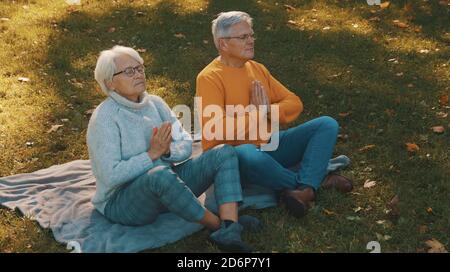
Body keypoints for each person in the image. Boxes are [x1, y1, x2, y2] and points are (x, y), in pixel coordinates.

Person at [87, 45, 260, 252]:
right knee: (158, 174)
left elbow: (186, 144)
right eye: (128, 71)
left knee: (224, 152)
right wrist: (152, 154)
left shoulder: (156, 103)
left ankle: (230, 225)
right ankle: (218, 226)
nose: (138, 74)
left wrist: (167, 152)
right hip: (122, 201)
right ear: (110, 83)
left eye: (140, 68)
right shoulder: (104, 118)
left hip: (167, 184)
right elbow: (109, 176)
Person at [196, 11, 353, 218]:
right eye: (243, 37)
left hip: (270, 145)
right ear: (223, 44)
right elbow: (216, 130)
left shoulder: (257, 68)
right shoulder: (209, 78)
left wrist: (268, 109)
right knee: (246, 153)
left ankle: (304, 190)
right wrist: (257, 114)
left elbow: (294, 103)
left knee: (326, 124)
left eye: (251, 35)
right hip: (234, 160)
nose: (251, 41)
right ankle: (315, 182)